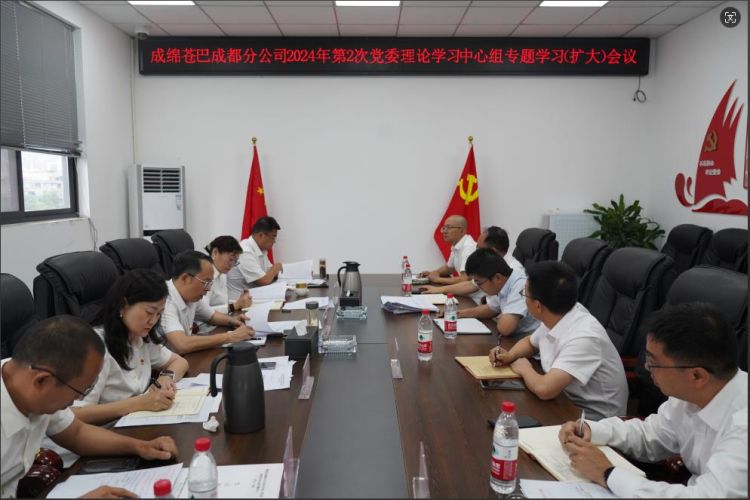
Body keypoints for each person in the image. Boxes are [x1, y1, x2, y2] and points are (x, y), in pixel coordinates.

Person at [558, 302, 747, 497]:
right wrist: (593, 430)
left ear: (697, 376)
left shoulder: (743, 427)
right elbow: (652, 434)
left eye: (653, 362)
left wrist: (607, 473)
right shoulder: (690, 394)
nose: (647, 368)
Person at [1, 316, 178, 498]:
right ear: (42, 381)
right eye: (79, 391)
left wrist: (140, 447)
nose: (77, 400)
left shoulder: (35, 388)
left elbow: (77, 433)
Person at [490, 261, 627, 420]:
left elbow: (544, 389)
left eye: (524, 294)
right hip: (564, 401)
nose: (523, 299)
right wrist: (510, 356)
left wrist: (524, 368)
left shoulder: (584, 337)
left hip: (592, 419)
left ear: (538, 306)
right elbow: (530, 343)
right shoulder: (558, 313)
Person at [70, 269, 189, 425]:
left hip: (135, 422)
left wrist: (166, 377)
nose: (153, 321)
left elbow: (179, 362)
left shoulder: (139, 336)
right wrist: (140, 403)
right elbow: (75, 414)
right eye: (149, 312)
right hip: (104, 430)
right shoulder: (95, 347)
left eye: (159, 314)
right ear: (123, 305)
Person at [161, 250, 254, 355]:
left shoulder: (190, 295)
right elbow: (182, 345)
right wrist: (230, 336)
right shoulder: (164, 300)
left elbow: (211, 316)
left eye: (210, 284)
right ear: (185, 278)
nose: (208, 289)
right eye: (206, 283)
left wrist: (233, 321)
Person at [420, 226, 521, 303]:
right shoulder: (490, 262)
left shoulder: (514, 272)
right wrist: (437, 290)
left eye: (479, 248)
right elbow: (471, 285)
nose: (476, 251)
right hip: (481, 307)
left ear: (492, 251)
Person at [457, 248, 539, 336]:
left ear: (497, 278)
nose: (479, 287)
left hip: (531, 339)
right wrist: (459, 314)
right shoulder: (503, 283)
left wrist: (500, 317)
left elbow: (505, 328)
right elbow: (491, 308)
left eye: (479, 283)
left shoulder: (521, 284)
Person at [227, 216, 283, 300]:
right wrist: (276, 267)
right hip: (238, 302)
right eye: (273, 237)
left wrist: (272, 272)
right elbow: (263, 281)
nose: (274, 241)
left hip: (254, 297)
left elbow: (270, 274)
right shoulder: (244, 251)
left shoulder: (262, 250)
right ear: (261, 235)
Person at [419, 215, 476, 286]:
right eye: (444, 228)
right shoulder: (456, 245)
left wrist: (438, 279)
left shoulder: (469, 247)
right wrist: (433, 273)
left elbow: (465, 279)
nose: (444, 231)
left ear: (461, 231)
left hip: (474, 292)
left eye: (449, 227)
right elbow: (449, 268)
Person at [204, 235, 252, 315]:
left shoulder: (222, 273)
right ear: (215, 253)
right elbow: (203, 311)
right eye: (231, 259)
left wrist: (240, 301)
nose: (232, 265)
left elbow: (223, 303)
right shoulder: (206, 277)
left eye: (235, 262)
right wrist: (234, 306)